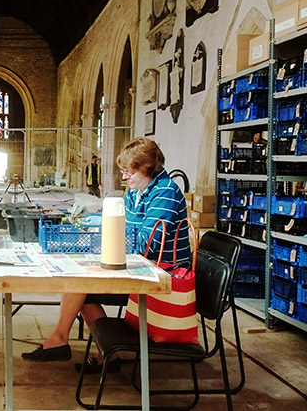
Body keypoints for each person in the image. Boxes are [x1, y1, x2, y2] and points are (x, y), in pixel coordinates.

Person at [22, 137, 190, 373]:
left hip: (163, 273)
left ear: (148, 168)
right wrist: (96, 223)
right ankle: (100, 351)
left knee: (80, 284)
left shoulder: (165, 193)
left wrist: (105, 233)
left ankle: (64, 341)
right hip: (138, 263)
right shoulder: (137, 191)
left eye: (129, 172)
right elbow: (125, 228)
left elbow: (145, 244)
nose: (124, 178)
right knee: (78, 280)